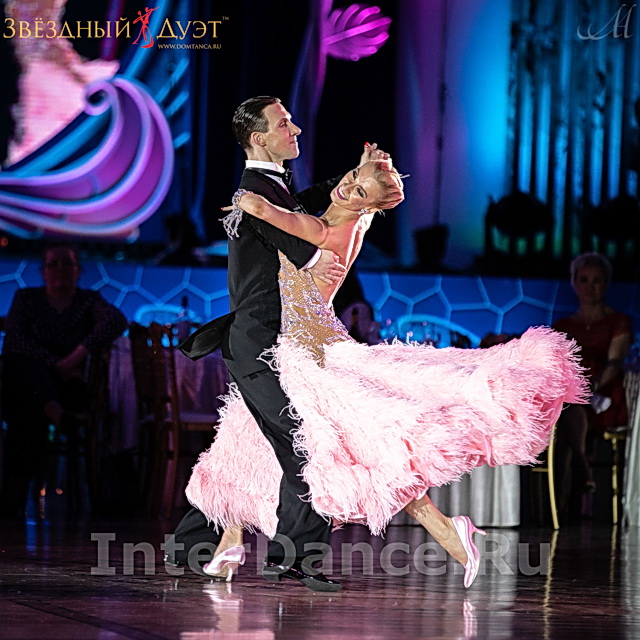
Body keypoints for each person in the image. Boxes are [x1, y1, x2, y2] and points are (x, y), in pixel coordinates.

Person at [185, 160, 587, 590]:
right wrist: (360, 171)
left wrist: (249, 202)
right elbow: (299, 210)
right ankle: (231, 539)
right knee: (250, 441)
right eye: (350, 180)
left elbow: (273, 215)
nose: (347, 189)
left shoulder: (326, 230)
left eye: (360, 192)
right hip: (288, 349)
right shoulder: (335, 220)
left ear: (371, 208)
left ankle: (447, 532)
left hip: (309, 357)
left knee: (359, 451)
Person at [169, 96, 388, 592]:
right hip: (260, 341)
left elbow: (299, 204)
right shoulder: (255, 192)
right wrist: (319, 243)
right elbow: (295, 237)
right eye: (284, 123)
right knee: (305, 443)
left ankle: (193, 545)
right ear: (258, 138)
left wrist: (348, 178)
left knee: (260, 446)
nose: (296, 129)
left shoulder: (269, 187)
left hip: (269, 341)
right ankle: (293, 559)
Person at [0, 243, 127, 515]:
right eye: (53, 264)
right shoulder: (26, 299)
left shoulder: (88, 301)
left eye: (67, 263)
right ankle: (53, 412)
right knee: (21, 374)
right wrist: (58, 364)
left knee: (26, 403)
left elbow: (115, 320)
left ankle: (14, 497)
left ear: (78, 270)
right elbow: (16, 339)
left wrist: (76, 357)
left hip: (70, 391)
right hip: (33, 386)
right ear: (43, 271)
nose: (60, 269)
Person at [553, 252, 633, 514]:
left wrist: (591, 387)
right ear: (574, 282)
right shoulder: (563, 325)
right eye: (584, 280)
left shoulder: (618, 322)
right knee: (567, 412)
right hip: (573, 395)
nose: (590, 286)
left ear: (606, 283)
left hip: (605, 396)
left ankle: (564, 503)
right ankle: (577, 474)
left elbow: (615, 362)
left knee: (571, 413)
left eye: (597, 280)